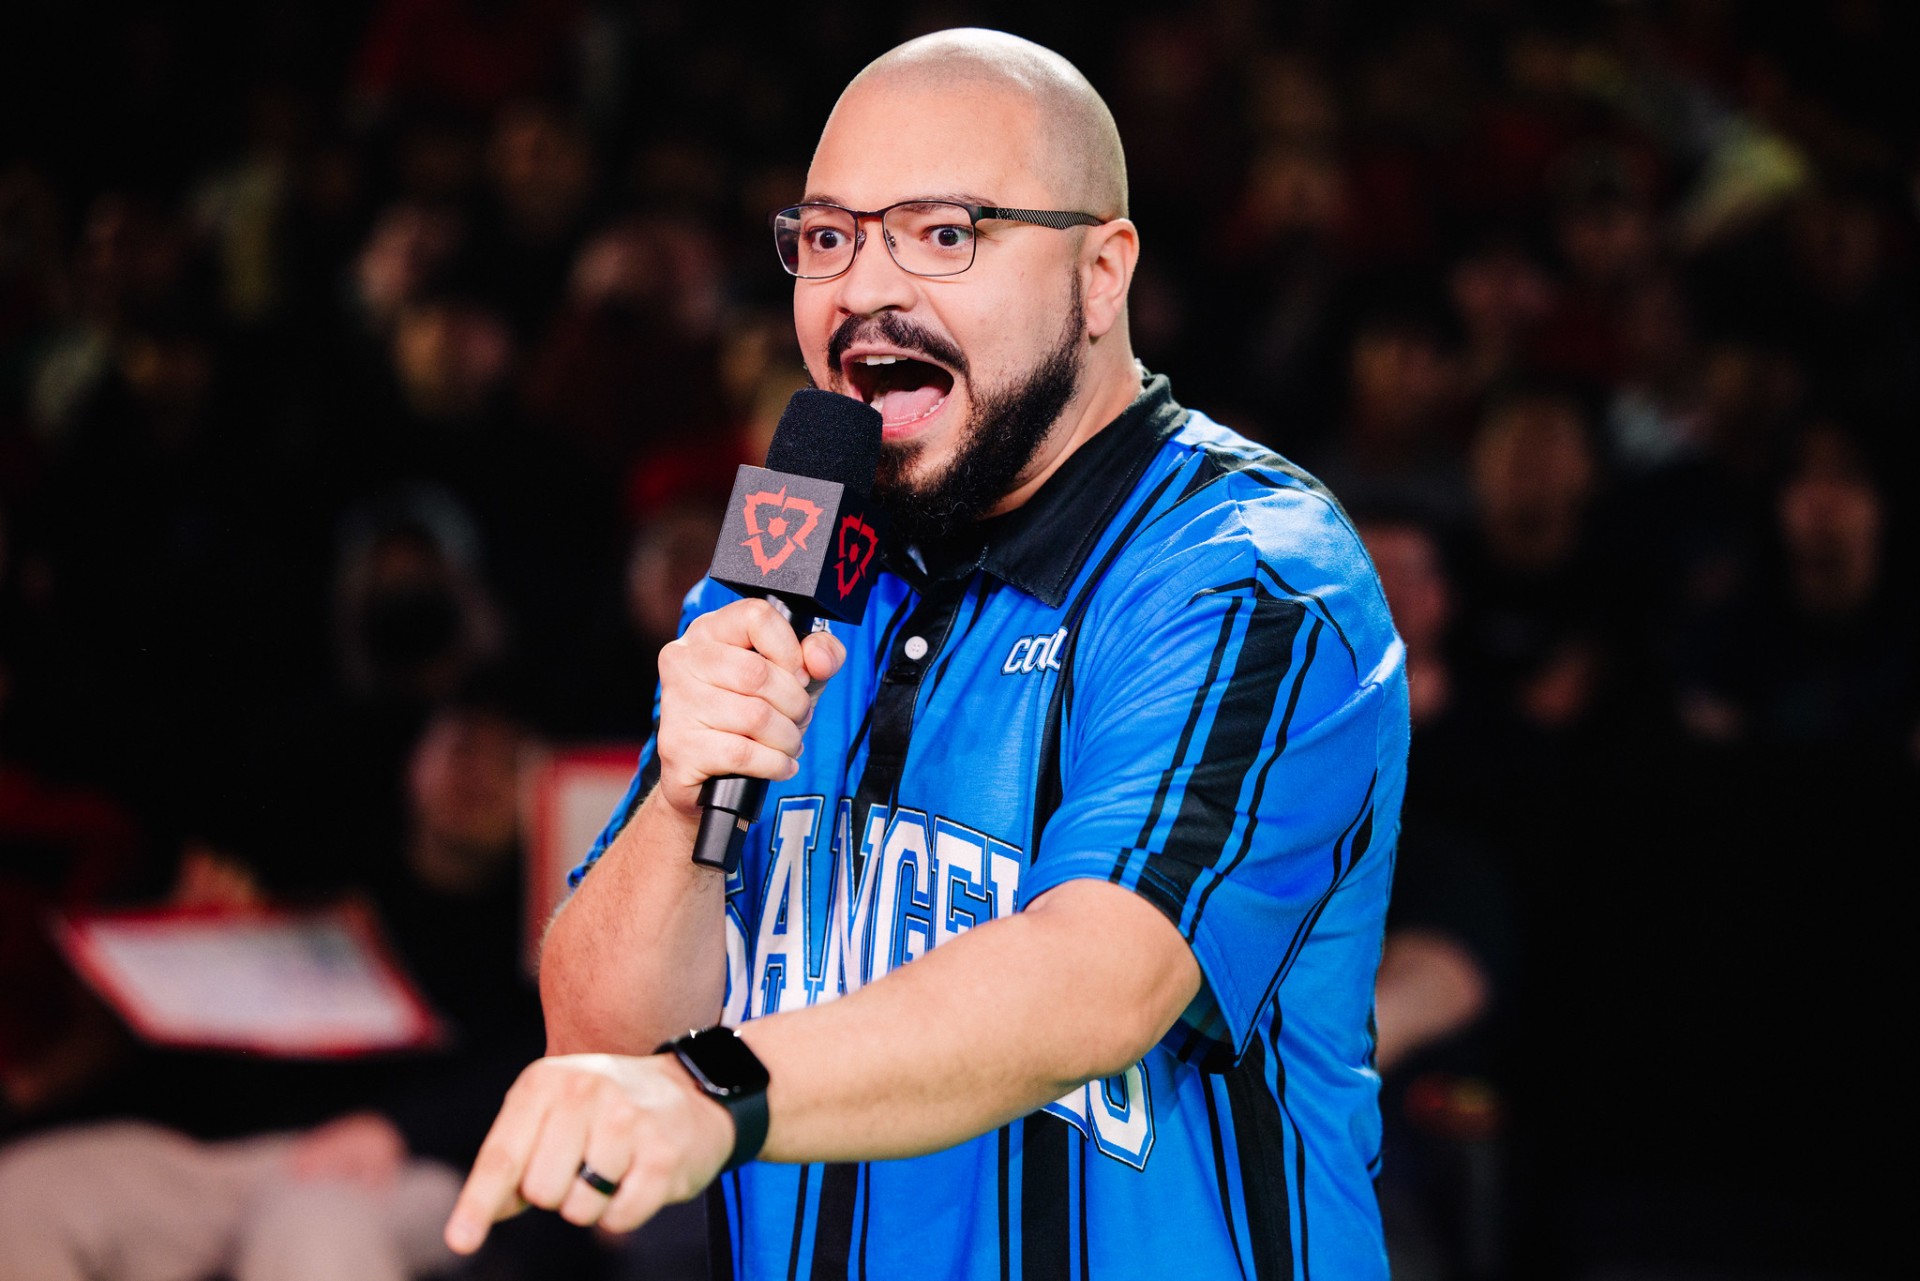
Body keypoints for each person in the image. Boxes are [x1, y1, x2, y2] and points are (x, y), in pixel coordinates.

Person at [444, 28, 1409, 1280]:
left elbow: (1101, 981)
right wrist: (683, 805)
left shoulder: (1250, 571)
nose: (862, 290)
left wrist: (713, 1091)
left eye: (943, 234)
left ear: (1101, 274)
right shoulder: (790, 551)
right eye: (827, 238)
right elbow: (607, 1049)